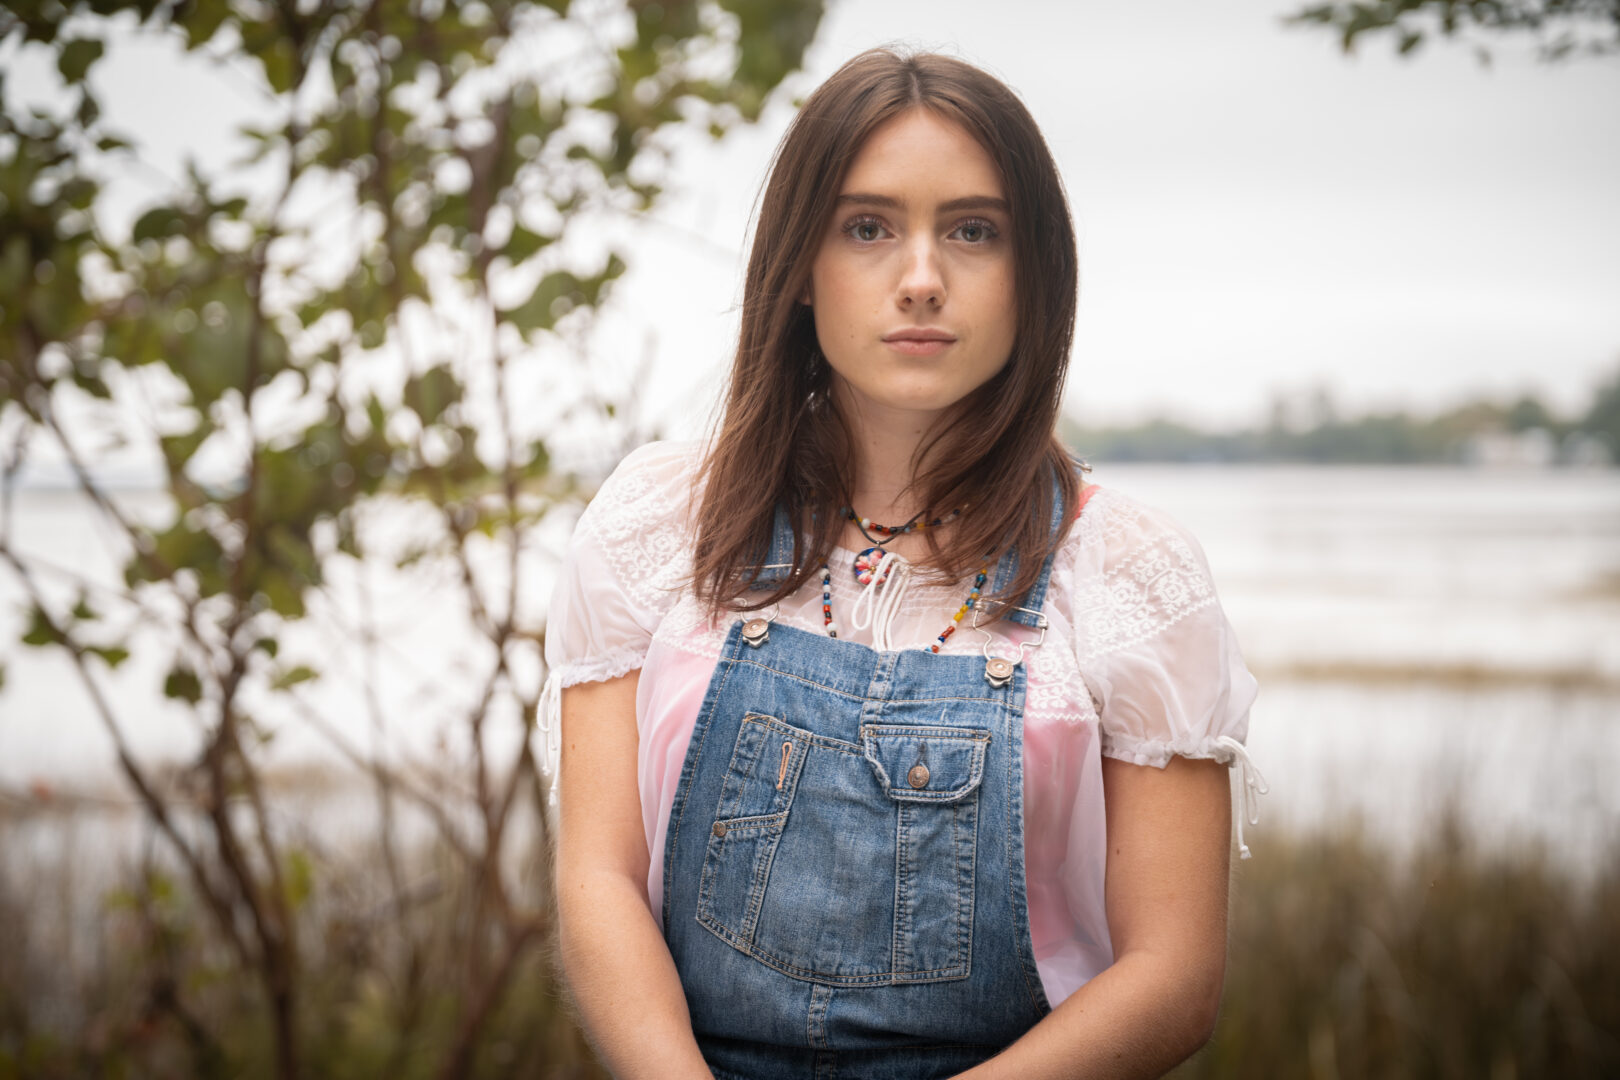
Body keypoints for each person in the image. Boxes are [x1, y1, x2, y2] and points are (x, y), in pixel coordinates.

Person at [541, 48, 1264, 1080]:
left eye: (973, 231)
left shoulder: (1129, 577)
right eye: (868, 227)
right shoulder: (661, 530)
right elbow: (598, 883)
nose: (921, 279)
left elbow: (1172, 975)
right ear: (799, 266)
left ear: (1034, 274)